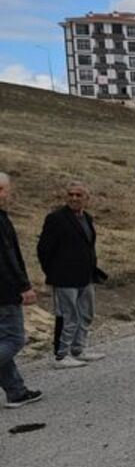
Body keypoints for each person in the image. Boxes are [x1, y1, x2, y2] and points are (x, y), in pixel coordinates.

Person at [37, 181, 106, 368]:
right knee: (68, 316)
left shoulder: (87, 218)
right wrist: (53, 273)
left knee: (86, 314)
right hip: (64, 278)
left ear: (87, 198)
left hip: (86, 276)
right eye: (71, 194)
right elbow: (44, 249)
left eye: (78, 195)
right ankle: (61, 355)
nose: (74, 198)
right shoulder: (56, 218)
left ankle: (78, 349)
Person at [0, 172, 43, 408]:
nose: (8, 194)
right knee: (14, 339)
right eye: (6, 190)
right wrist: (23, 286)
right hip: (4, 291)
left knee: (1, 339)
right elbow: (6, 258)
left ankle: (16, 391)